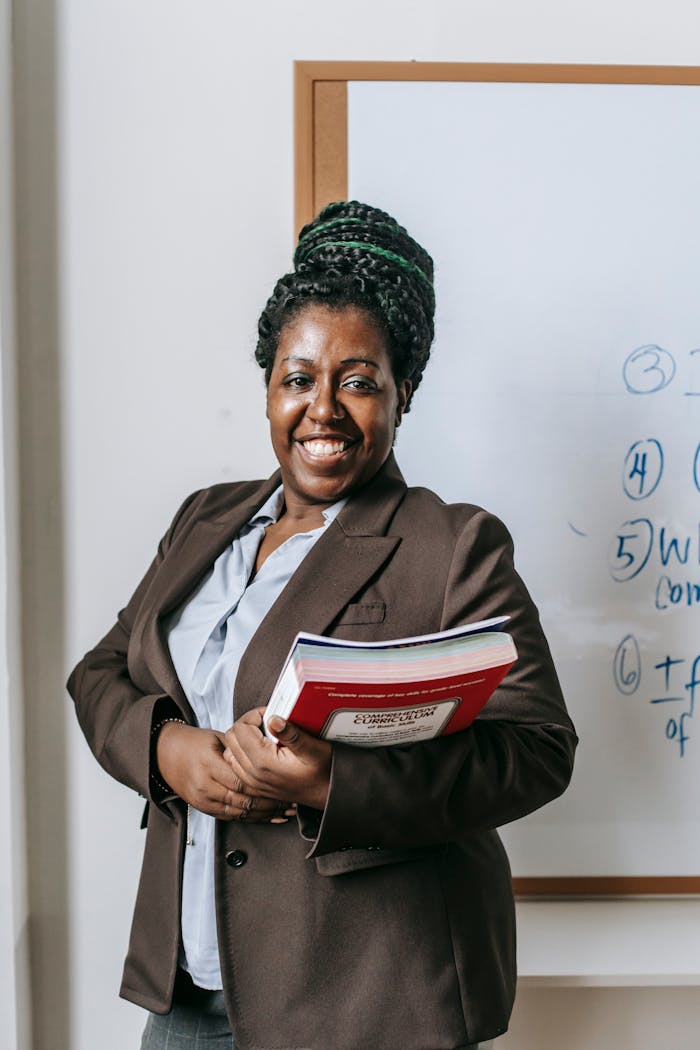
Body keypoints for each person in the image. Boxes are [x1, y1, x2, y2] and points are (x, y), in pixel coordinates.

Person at [68, 200, 577, 1050]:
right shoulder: (206, 520)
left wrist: (327, 783)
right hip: (190, 989)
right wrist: (166, 749)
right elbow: (102, 671)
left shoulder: (452, 545)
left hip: (364, 1000)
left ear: (402, 393)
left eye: (360, 380)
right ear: (269, 387)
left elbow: (536, 749)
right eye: (299, 377)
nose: (324, 410)